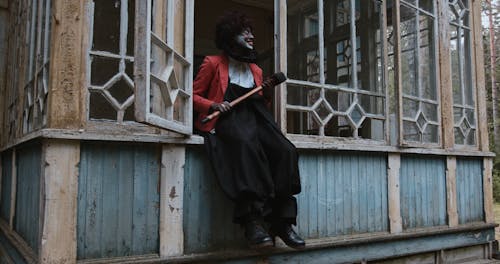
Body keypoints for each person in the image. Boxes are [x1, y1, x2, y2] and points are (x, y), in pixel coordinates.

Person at [193, 11, 305, 250]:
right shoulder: (212, 63)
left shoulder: (255, 70)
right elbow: (192, 96)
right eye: (245, 32)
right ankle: (251, 221)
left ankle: (281, 222)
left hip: (257, 117)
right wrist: (212, 105)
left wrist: (266, 96)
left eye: (251, 31)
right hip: (228, 118)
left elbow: (259, 102)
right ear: (230, 37)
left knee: (285, 151)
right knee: (245, 146)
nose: (251, 36)